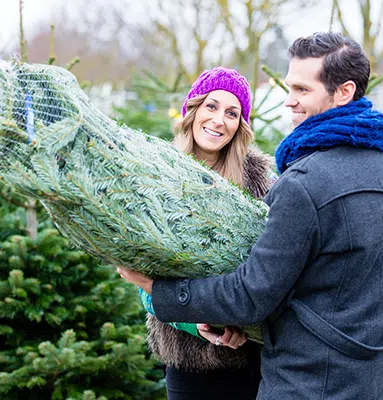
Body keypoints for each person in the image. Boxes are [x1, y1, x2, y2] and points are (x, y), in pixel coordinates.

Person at [118, 32, 383, 400]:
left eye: (302, 90)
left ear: (343, 91)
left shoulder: (302, 183)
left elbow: (251, 295)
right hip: (376, 384)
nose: (289, 100)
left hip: (303, 383)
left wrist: (160, 291)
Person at [137, 66, 277, 400]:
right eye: (211, 106)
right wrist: (195, 322)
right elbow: (143, 284)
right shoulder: (160, 175)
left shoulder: (259, 184)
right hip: (190, 365)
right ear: (193, 109)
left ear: (240, 125)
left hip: (251, 360)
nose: (219, 120)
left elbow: (271, 268)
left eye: (232, 113)